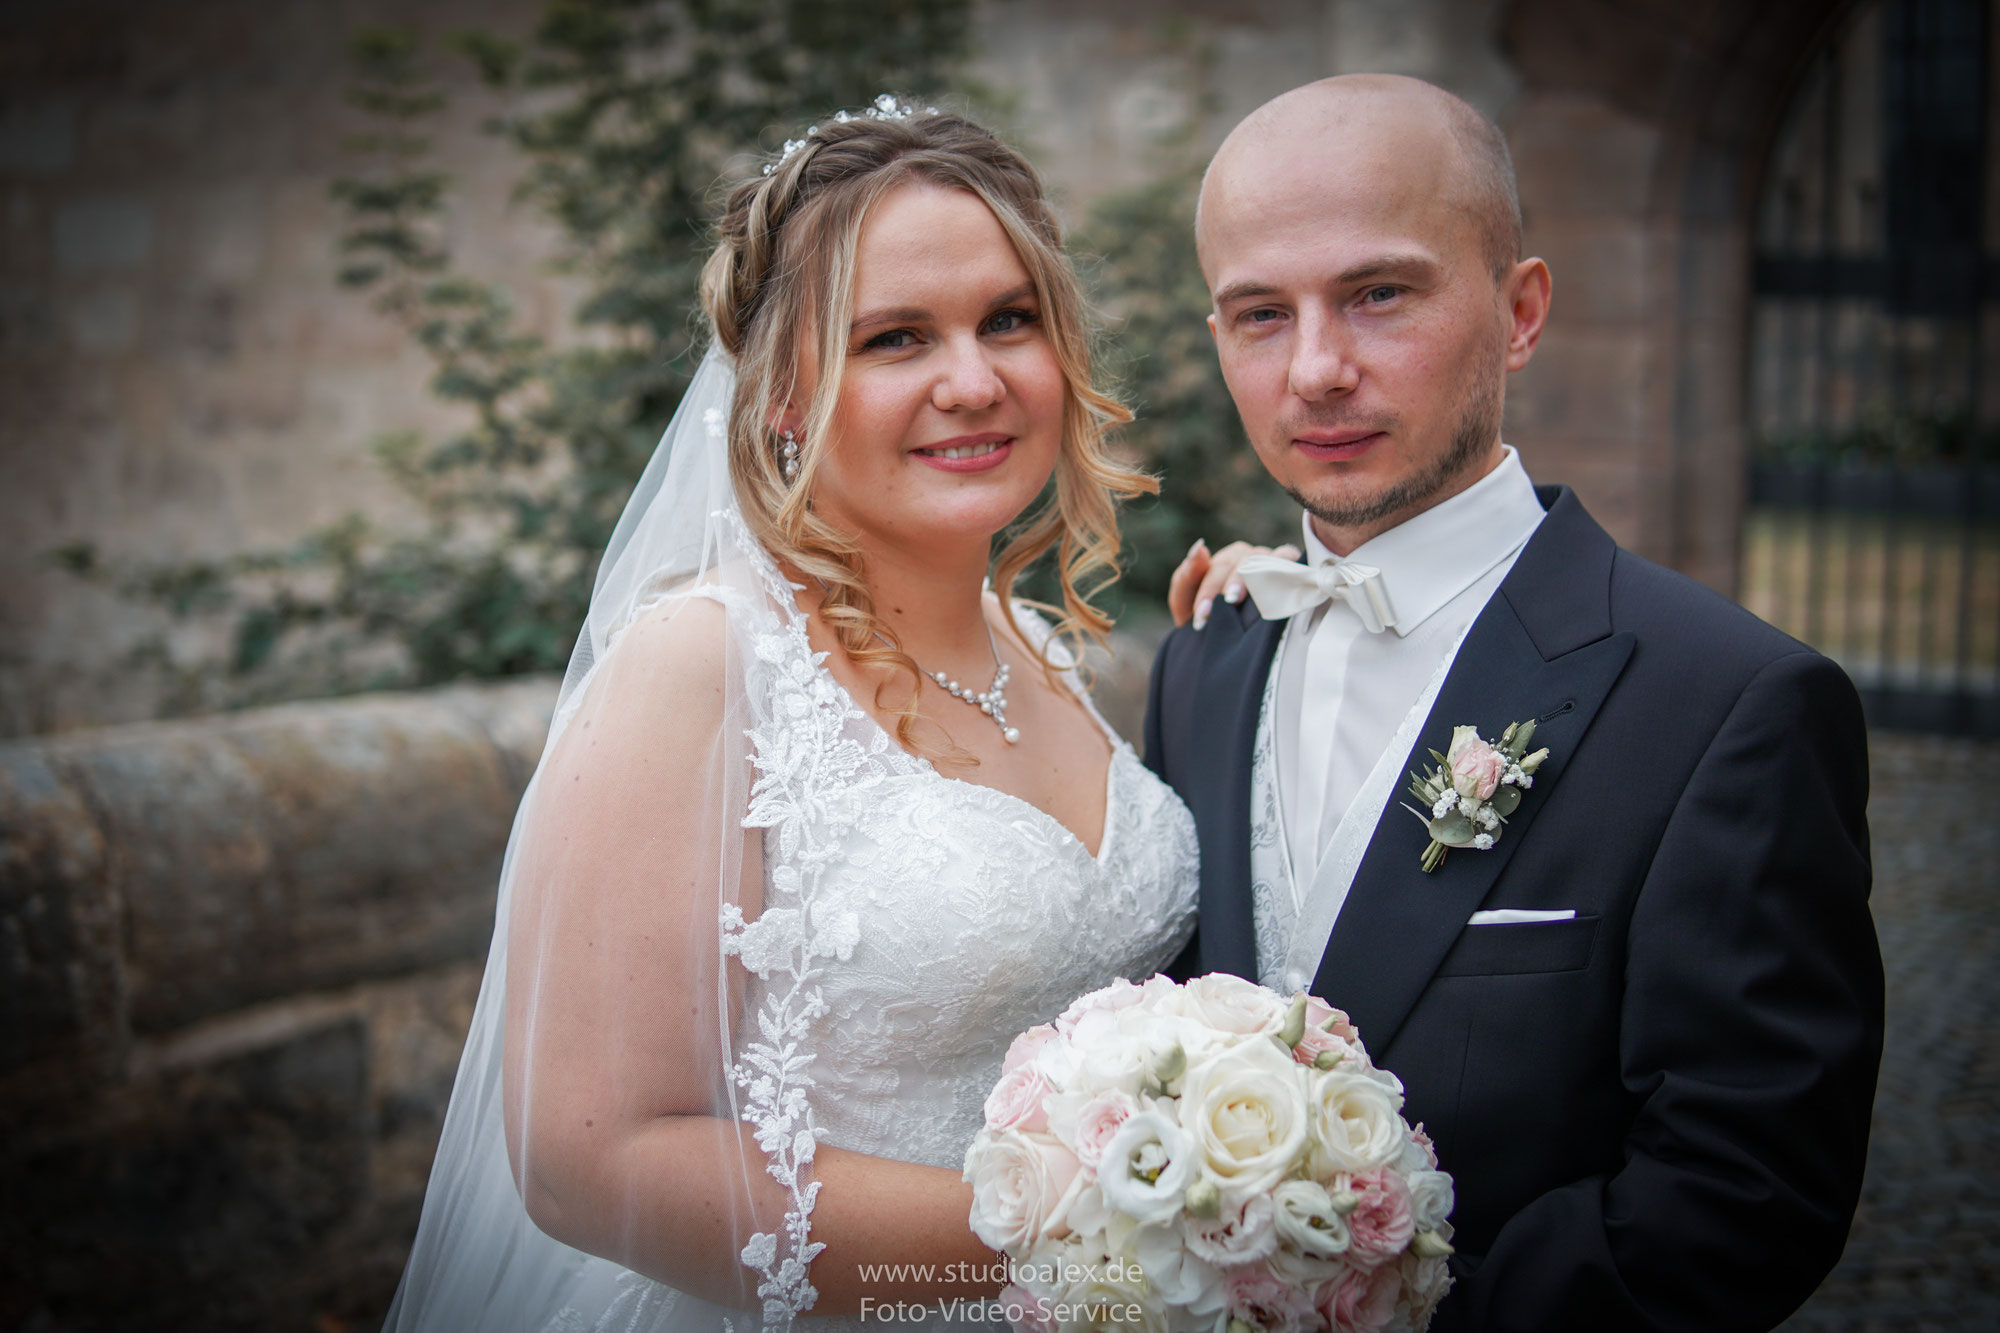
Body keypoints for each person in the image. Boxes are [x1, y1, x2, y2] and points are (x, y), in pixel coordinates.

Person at [384, 101, 1235, 1332]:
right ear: (781, 392)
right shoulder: (702, 663)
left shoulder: (1044, 648)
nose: (972, 380)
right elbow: (585, 1160)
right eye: (894, 338)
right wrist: (1095, 1255)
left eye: (1009, 319)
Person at [1146, 75, 1883, 1332]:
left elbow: (1744, 1192)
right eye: (1258, 313)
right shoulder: (1206, 652)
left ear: (1521, 311)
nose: (1315, 369)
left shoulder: (1730, 705)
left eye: (1379, 294)